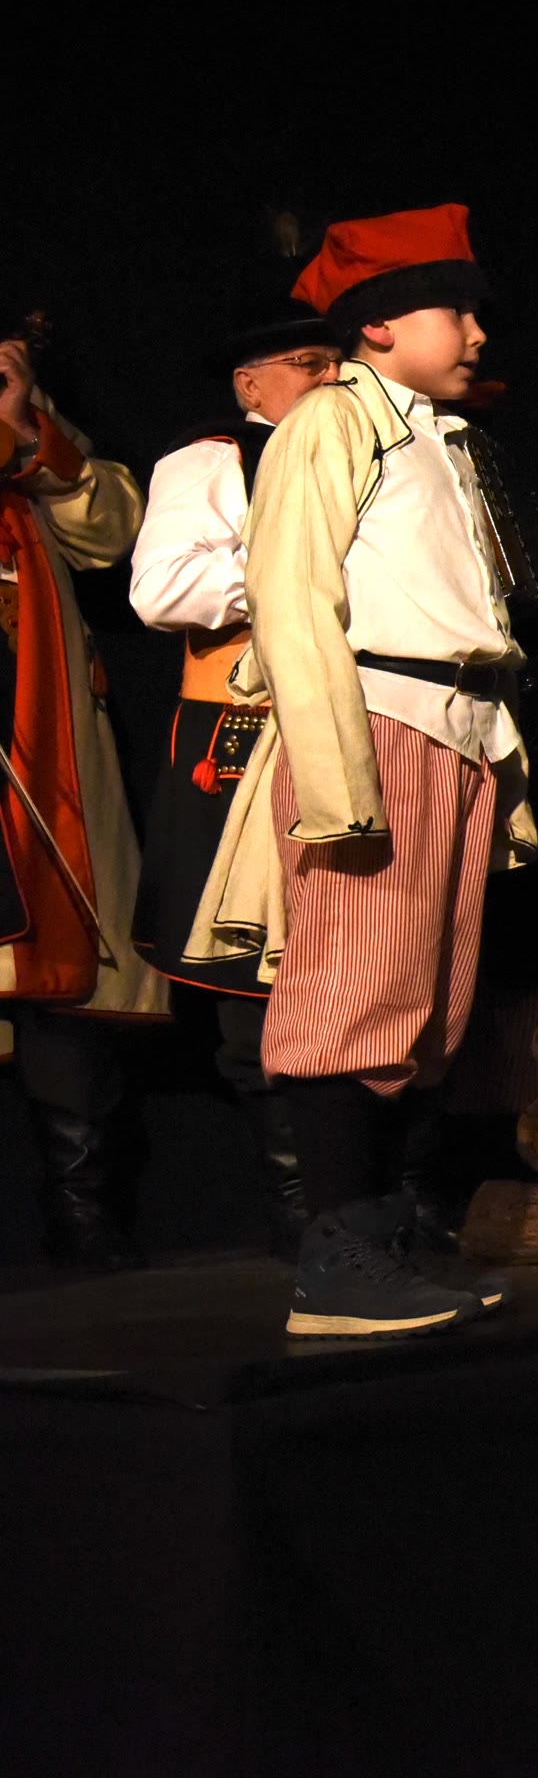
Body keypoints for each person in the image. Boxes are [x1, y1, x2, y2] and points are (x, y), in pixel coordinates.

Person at [240, 203, 529, 1336]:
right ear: (378, 325)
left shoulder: (442, 439)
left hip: (451, 727)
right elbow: (289, 592)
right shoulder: (330, 421)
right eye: (455, 310)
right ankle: (336, 1257)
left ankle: (381, 1231)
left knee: (420, 1006)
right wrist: (335, 776)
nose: (477, 332)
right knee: (351, 990)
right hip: (375, 722)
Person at [128, 307, 346, 1254]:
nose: (330, 379)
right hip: (245, 734)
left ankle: (381, 1196)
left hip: (357, 732)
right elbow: (161, 590)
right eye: (307, 363)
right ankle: (307, 1213)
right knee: (254, 982)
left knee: (363, 960)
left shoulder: (375, 456)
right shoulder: (213, 461)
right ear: (250, 383)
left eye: (337, 362)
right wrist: (289, 558)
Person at [0, 327, 170, 1269]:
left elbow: (110, 534)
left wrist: (28, 433)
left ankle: (83, 1218)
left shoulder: (26, 415)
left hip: (39, 726)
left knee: (57, 970)